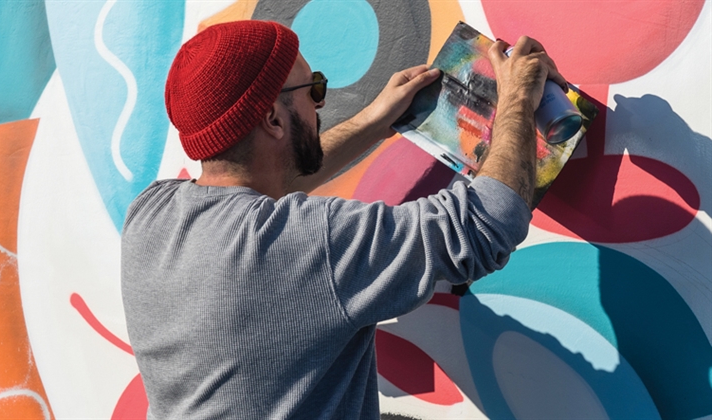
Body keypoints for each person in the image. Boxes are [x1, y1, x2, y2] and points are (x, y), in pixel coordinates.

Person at [121, 19, 566, 419]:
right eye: (313, 89)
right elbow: (485, 224)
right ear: (273, 120)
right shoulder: (308, 244)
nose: (320, 103)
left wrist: (376, 119)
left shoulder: (150, 215)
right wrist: (517, 102)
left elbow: (275, 183)